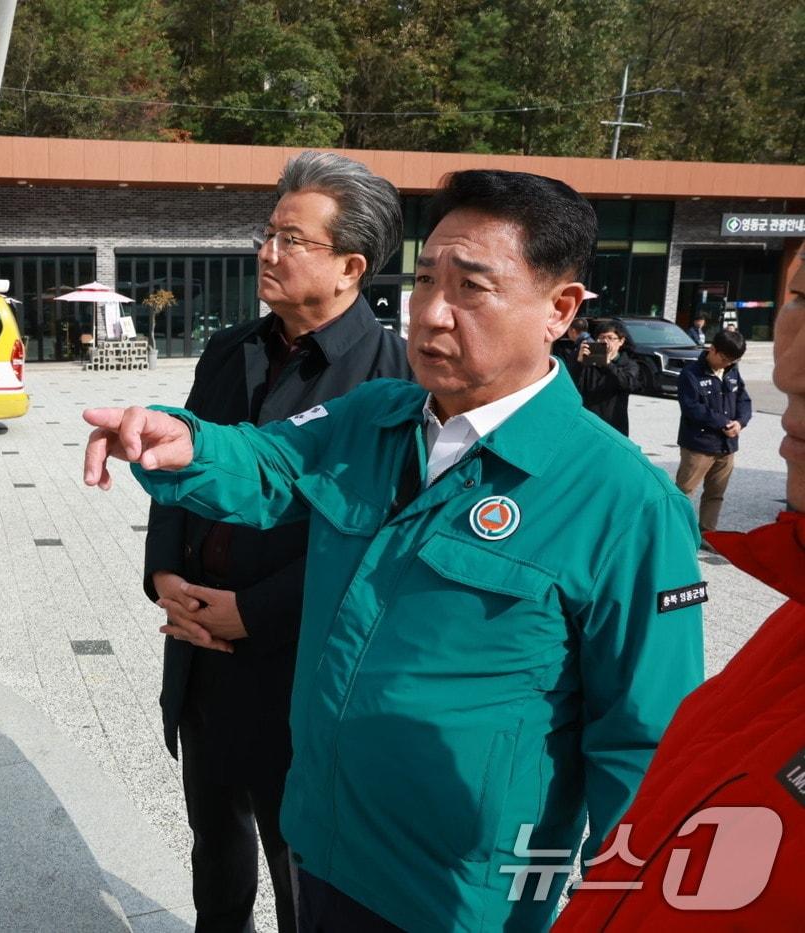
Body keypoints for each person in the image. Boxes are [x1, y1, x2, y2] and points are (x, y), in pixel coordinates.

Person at [82, 170, 704, 932]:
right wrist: (187, 443)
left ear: (560, 309)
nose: (431, 313)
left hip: (458, 901)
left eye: (471, 287)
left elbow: (647, 757)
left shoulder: (624, 504)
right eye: (425, 279)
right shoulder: (377, 416)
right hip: (323, 847)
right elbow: (270, 462)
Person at [145, 151, 410, 933]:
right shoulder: (231, 350)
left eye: (291, 239)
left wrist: (253, 612)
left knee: (304, 874)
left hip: (300, 670)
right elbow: (186, 469)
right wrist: (165, 577)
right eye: (267, 233)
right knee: (215, 857)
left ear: (351, 266)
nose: (267, 251)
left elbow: (374, 539)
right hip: (200, 655)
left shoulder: (391, 381)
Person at [556, 255, 805, 928]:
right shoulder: (785, 633)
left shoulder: (644, 510)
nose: (790, 368)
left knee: (701, 504)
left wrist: (737, 420)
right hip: (687, 443)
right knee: (685, 496)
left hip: (696, 446)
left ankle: (705, 535)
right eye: (799, 298)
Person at [674, 328, 752, 534]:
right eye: (724, 359)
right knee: (683, 491)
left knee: (716, 493)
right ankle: (675, 531)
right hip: (699, 445)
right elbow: (692, 408)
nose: (727, 364)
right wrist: (723, 423)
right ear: (712, 349)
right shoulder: (691, 374)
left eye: (733, 361)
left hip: (727, 446)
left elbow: (744, 400)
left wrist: (740, 423)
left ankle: (708, 532)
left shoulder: (732, 371)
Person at [567, 320, 644, 435]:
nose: (605, 341)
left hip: (614, 425)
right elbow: (571, 386)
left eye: (610, 338)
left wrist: (608, 364)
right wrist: (578, 362)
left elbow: (627, 384)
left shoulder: (629, 364)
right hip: (588, 424)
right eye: (601, 337)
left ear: (621, 341)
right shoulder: (588, 363)